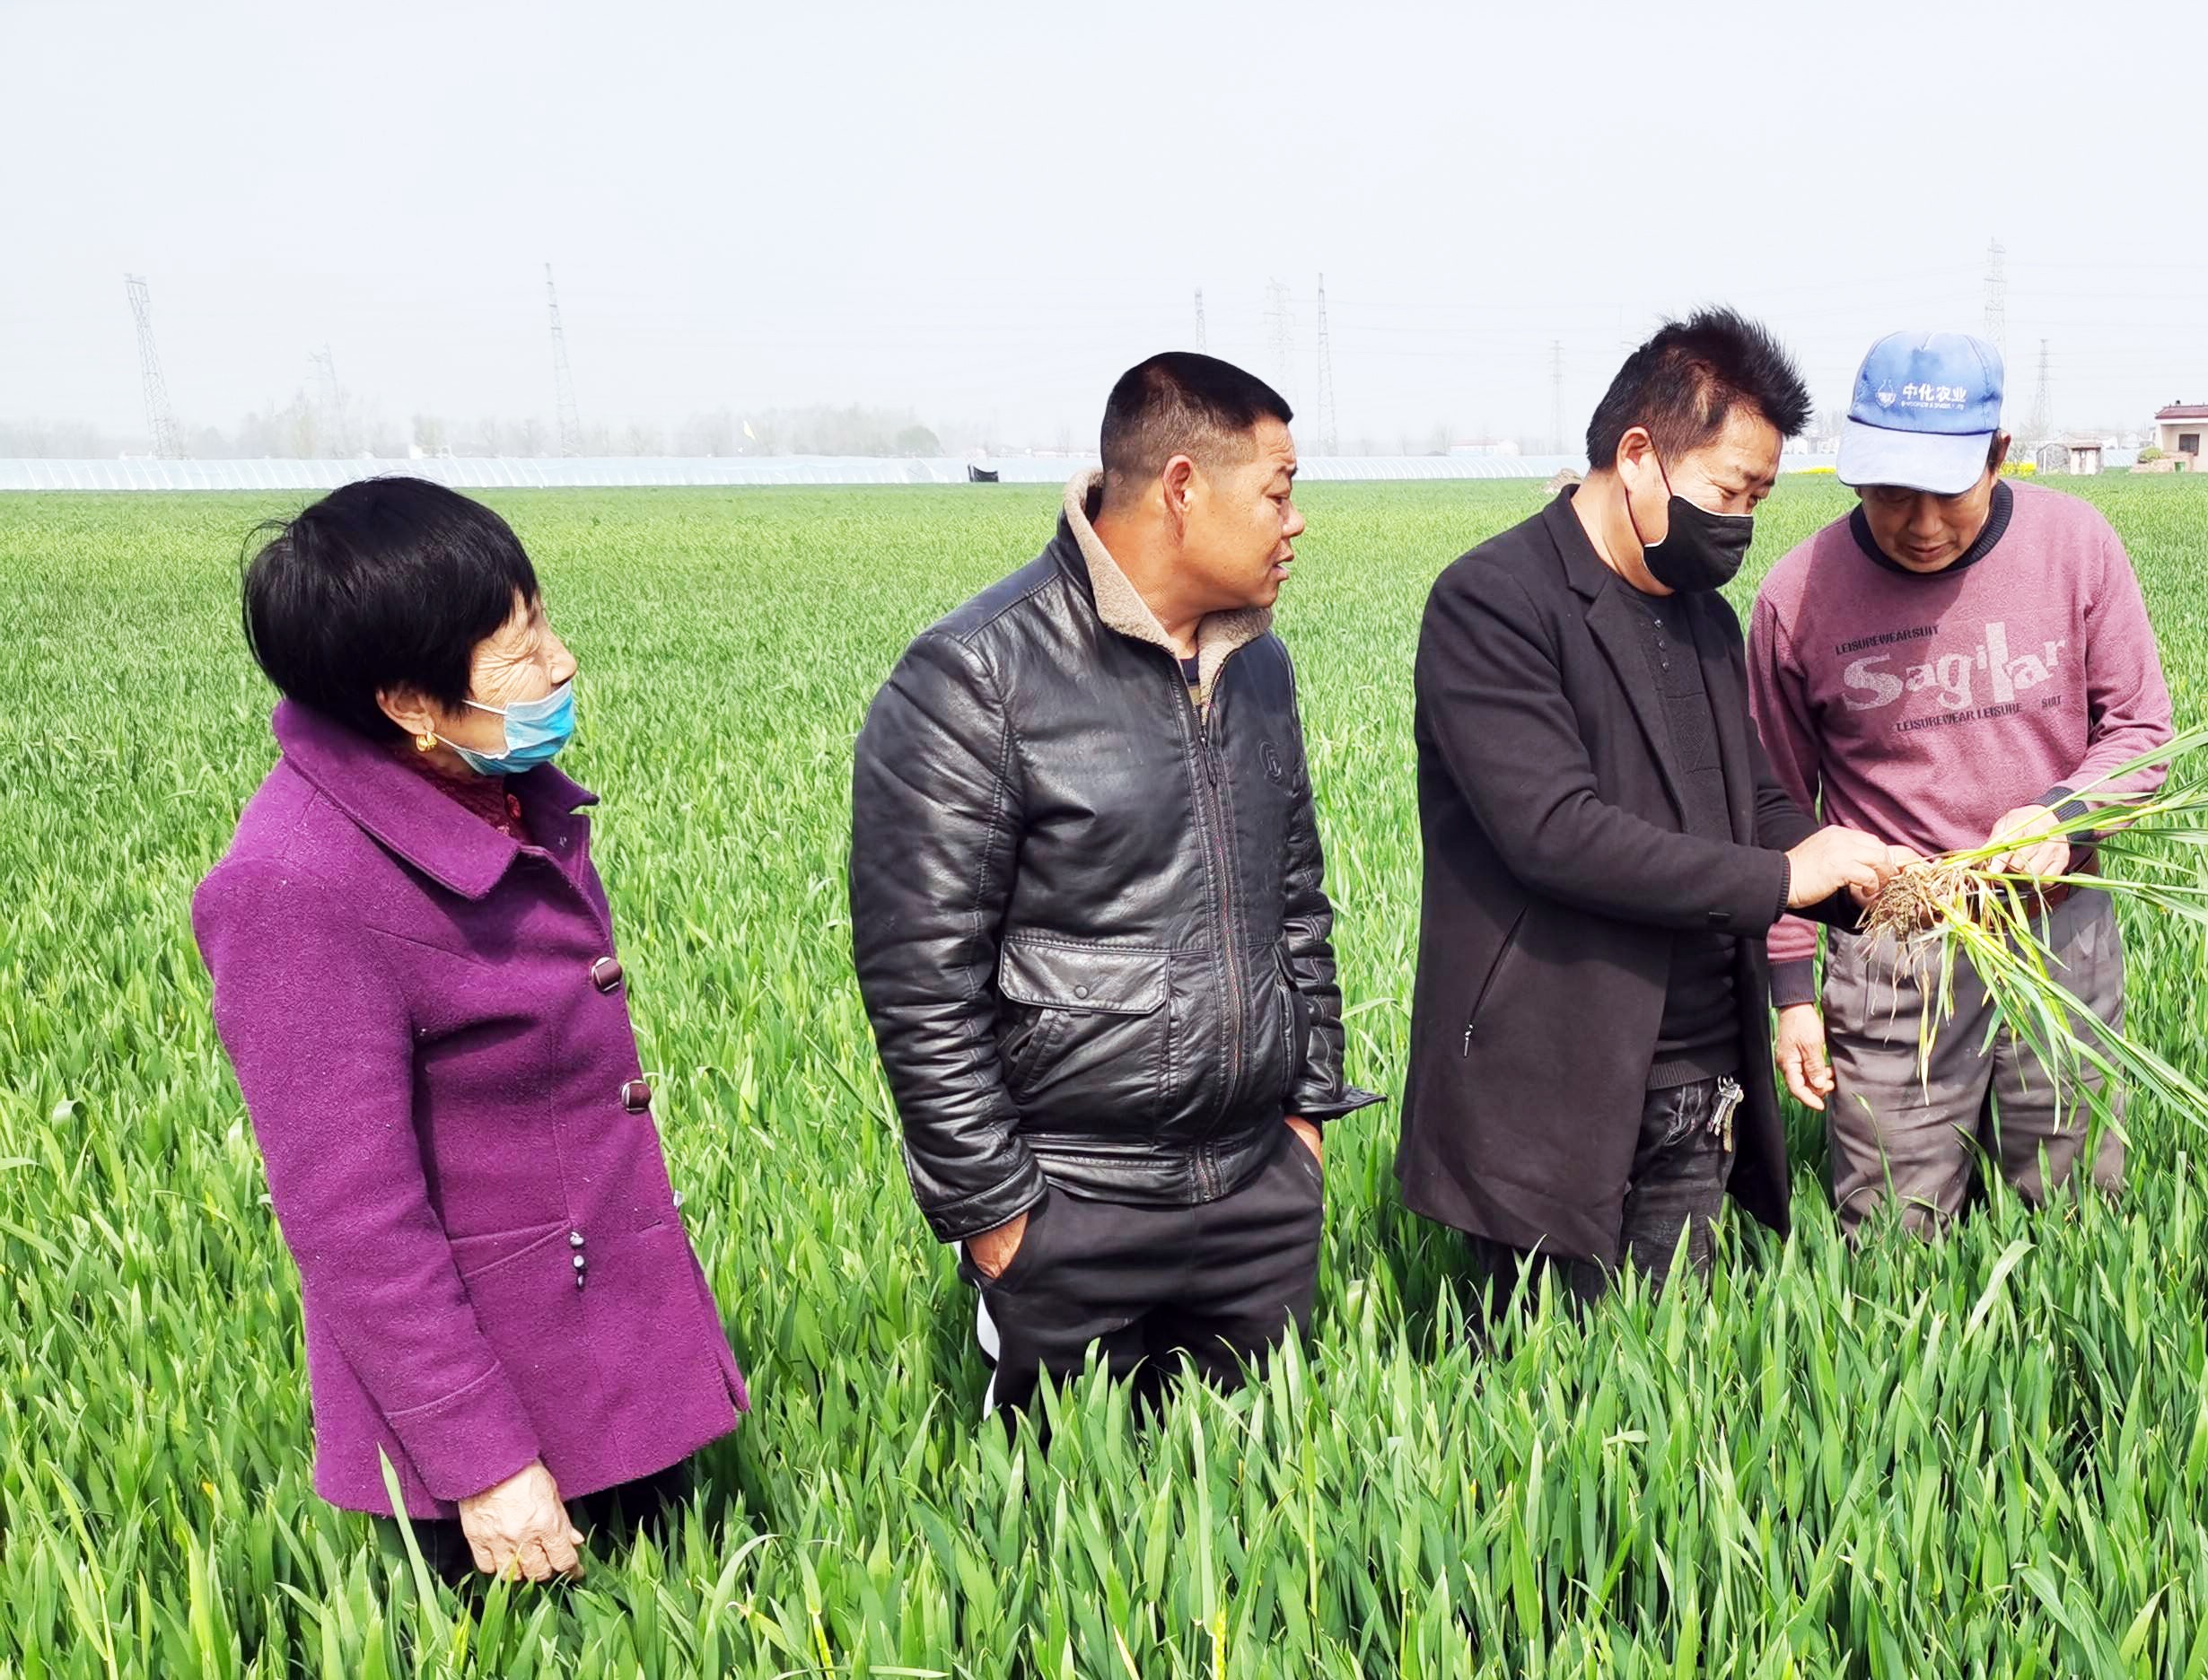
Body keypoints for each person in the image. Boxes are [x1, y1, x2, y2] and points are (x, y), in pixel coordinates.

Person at [193, 477, 748, 1581]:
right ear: (408, 703)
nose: (562, 663)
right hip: (501, 1448)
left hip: (611, 1366)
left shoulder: (491, 789)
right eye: (522, 648)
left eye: (542, 620)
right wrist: (485, 1466)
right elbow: (354, 1224)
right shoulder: (296, 888)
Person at [850, 352, 1371, 1414]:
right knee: (1073, 1539)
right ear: (1182, 488)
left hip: (1256, 1194)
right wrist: (1001, 1216)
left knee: (1265, 1516)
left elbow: (1297, 909)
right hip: (1073, 1203)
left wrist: (1307, 1126)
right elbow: (920, 982)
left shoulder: (1257, 666)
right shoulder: (978, 677)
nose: (1297, 521)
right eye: (1278, 490)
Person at [1393, 309, 1907, 1299]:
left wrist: (1866, 879)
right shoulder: (1495, 601)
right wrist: (1785, 876)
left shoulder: (1703, 619)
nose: (1741, 524)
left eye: (1759, 497)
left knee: (1667, 1394)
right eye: (1728, 490)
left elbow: (1752, 796)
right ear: (1638, 455)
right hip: (1555, 1083)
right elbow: (1554, 833)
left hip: (1697, 1074)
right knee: (1544, 1410)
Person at [1747, 330, 2176, 1236]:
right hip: (1895, 949)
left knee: (2073, 1212)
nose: (1922, 524)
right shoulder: (1799, 597)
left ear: (1998, 457)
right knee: (1892, 1228)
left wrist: (2061, 814)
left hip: (2057, 933)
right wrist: (1792, 997)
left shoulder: (2076, 548)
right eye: (1892, 493)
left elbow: (2141, 733)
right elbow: (1775, 815)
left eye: (1946, 493)